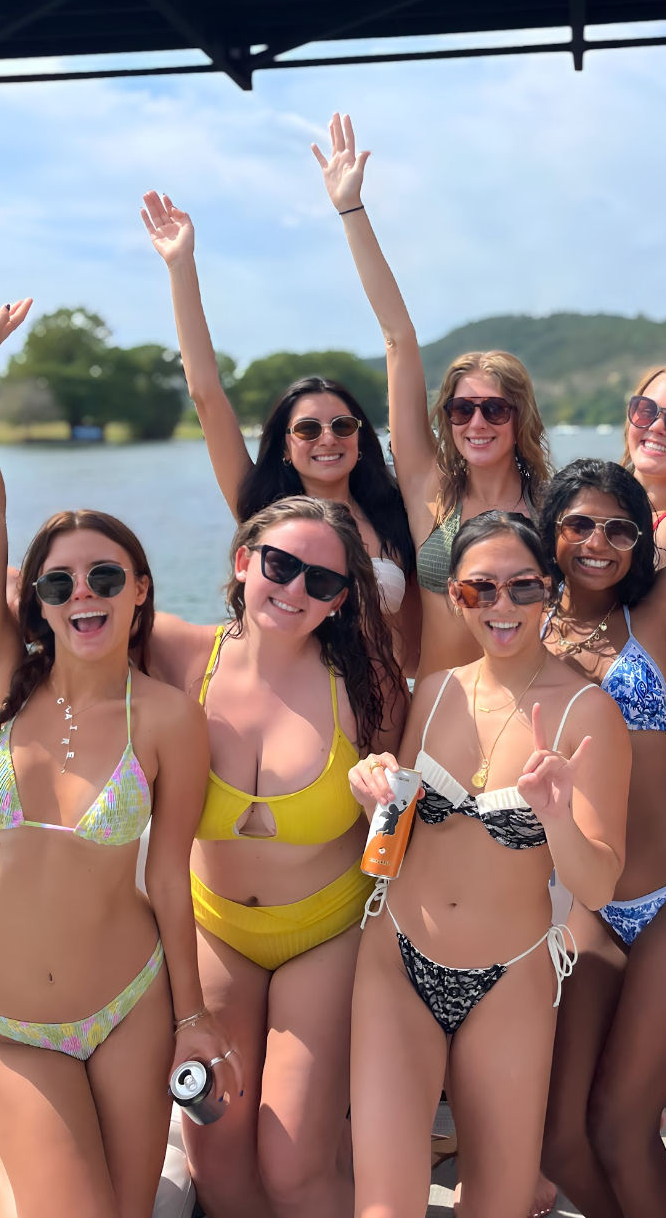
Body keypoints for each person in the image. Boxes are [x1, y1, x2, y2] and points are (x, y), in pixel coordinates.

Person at [0, 300, 224, 1218]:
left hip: (128, 1004)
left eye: (106, 576)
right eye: (59, 583)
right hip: (9, 1021)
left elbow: (174, 879)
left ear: (140, 591)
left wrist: (191, 1018)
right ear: (41, 603)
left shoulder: (172, 721)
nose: (82, 595)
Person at [347, 511, 631, 1218]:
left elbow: (598, 884)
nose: (501, 607)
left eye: (522, 587)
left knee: (498, 1208)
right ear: (455, 599)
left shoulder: (588, 713)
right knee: (384, 1210)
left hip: (511, 979)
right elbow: (395, 837)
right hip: (397, 961)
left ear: (551, 591)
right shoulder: (436, 690)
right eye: (480, 590)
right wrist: (374, 790)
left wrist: (557, 814)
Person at [146, 495, 407, 1218]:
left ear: (340, 600)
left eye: (320, 581)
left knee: (291, 1163)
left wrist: (379, 802)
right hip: (213, 930)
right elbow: (22, 591)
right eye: (281, 565)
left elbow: (399, 826)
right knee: (220, 1162)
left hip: (325, 933)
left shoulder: (366, 685)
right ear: (243, 562)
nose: (294, 590)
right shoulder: (179, 654)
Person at [535, 459, 666, 1218]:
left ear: (641, 540)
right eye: (579, 524)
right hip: (595, 902)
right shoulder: (522, 626)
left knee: (621, 1125)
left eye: (619, 527)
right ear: (550, 531)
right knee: (560, 1141)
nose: (598, 541)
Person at [312, 114, 552, 680]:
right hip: (437, 710)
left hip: (527, 709)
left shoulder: (552, 507)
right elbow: (399, 338)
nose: (477, 422)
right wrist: (351, 210)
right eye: (461, 409)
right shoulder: (428, 488)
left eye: (495, 409)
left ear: (520, 419)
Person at [139, 190, 418, 669]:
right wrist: (181, 265)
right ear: (286, 448)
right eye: (307, 429)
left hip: (384, 709)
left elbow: (399, 343)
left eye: (342, 425)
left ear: (360, 439)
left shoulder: (396, 512)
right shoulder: (265, 511)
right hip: (290, 707)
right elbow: (206, 394)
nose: (327, 437)